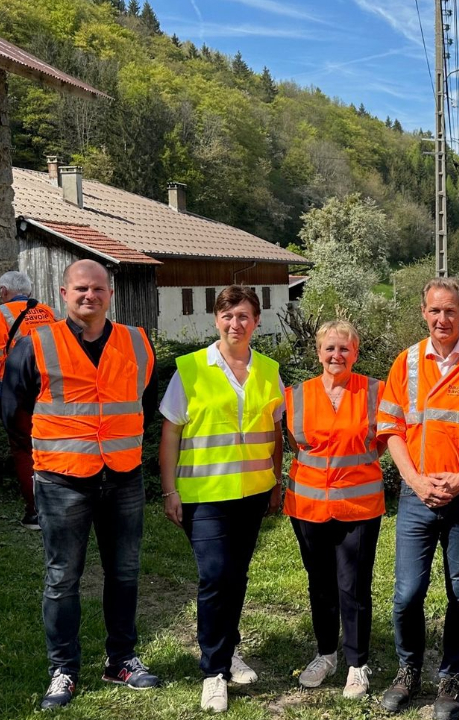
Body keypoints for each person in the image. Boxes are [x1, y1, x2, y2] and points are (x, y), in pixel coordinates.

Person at [2, 259, 160, 709]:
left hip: (123, 477)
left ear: (109, 294)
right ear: (64, 294)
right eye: (80, 289)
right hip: (61, 481)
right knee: (62, 578)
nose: (89, 296)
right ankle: (63, 670)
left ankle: (121, 660)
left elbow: (141, 398)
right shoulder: (36, 344)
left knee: (125, 573)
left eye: (98, 289)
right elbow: (12, 408)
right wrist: (41, 456)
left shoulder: (136, 341)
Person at [375, 277, 459, 719]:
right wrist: (414, 481)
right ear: (423, 312)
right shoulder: (407, 361)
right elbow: (390, 430)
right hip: (417, 494)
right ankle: (408, 669)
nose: (442, 318)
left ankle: (451, 675)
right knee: (407, 594)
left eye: (450, 310)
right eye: (434, 310)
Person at [159, 285, 284, 713]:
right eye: (229, 316)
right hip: (204, 496)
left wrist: (276, 480)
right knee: (214, 576)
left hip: (251, 493)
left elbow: (276, 431)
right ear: (217, 320)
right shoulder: (191, 369)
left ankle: (228, 650)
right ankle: (213, 671)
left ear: (256, 322)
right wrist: (170, 490)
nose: (237, 324)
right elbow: (171, 432)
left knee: (236, 576)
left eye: (245, 316)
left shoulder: (269, 369)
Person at [284, 320, 384, 700]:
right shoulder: (296, 395)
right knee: (320, 584)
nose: (336, 355)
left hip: (359, 505)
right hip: (308, 506)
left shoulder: (375, 391)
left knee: (353, 586)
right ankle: (326, 654)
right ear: (318, 352)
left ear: (355, 353)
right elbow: (298, 445)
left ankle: (357, 664)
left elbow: (382, 441)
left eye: (344, 349)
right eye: (329, 348)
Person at [0, 270, 56, 529]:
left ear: (3, 291)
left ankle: (34, 512)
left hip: (18, 386)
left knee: (24, 449)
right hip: (51, 383)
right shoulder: (46, 311)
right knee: (51, 445)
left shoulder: (0, 313)